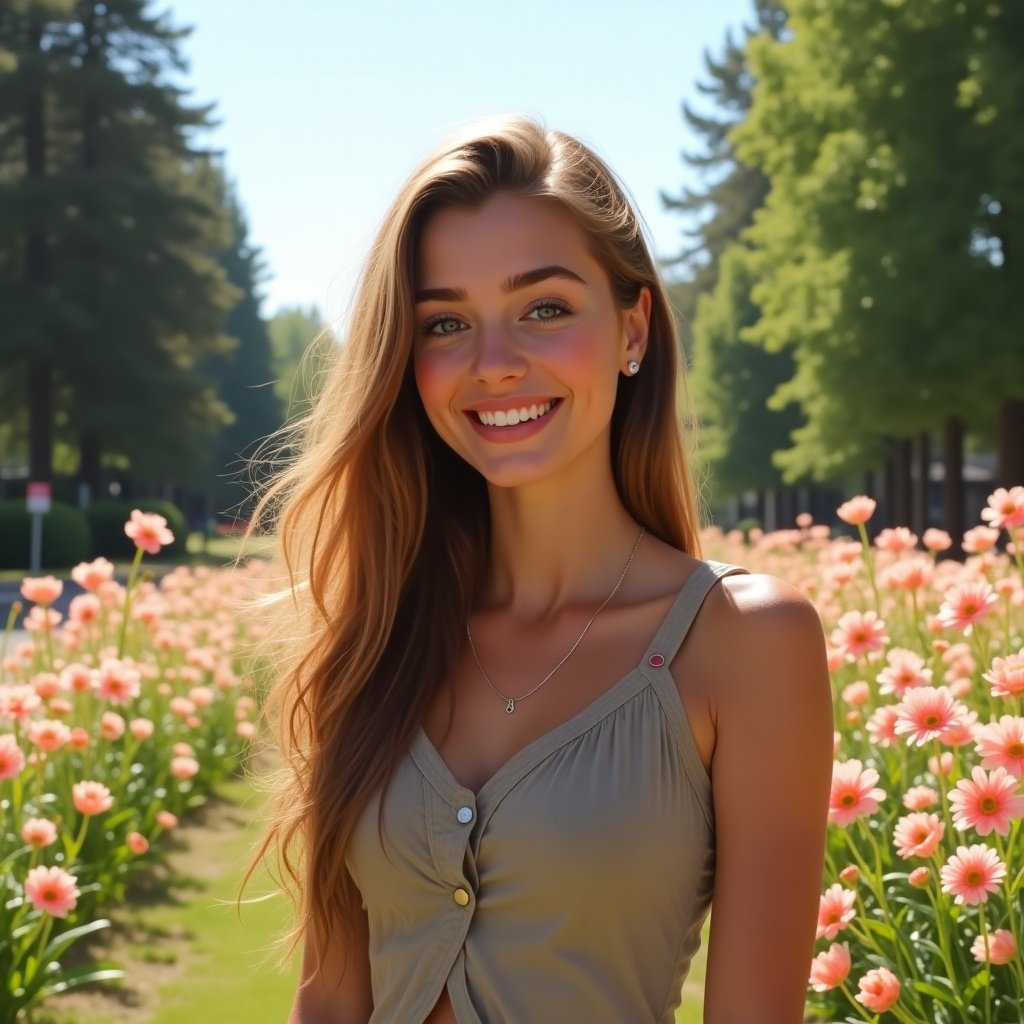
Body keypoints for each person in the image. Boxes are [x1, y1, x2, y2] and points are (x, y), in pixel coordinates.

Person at [245, 115, 834, 1024]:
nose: (494, 364)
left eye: (545, 309)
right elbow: (329, 1000)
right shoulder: (376, 640)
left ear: (633, 328)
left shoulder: (747, 643)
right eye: (446, 323)